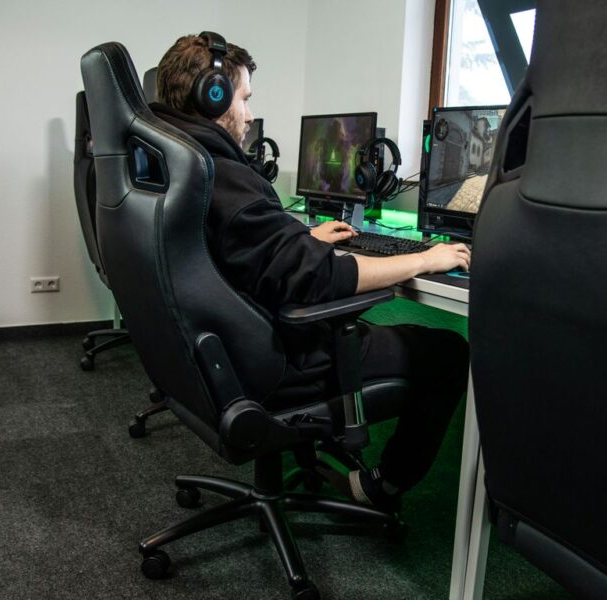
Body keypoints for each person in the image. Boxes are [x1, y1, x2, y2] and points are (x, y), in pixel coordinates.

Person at [150, 33, 470, 513]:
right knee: (449, 351)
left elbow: (247, 253)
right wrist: (425, 259)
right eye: (244, 98)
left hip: (215, 353)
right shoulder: (222, 174)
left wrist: (301, 240)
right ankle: (383, 486)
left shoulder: (179, 165)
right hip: (275, 362)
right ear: (212, 96)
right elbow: (320, 279)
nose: (250, 115)